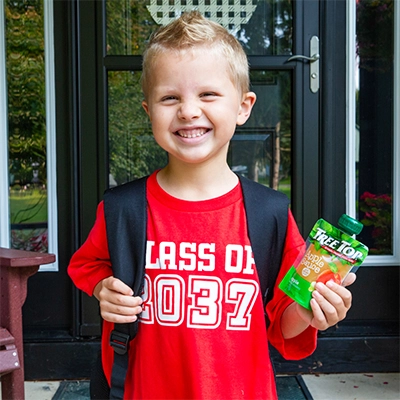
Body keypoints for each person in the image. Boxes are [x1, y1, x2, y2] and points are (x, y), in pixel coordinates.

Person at [68, 11, 356, 399]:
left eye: (207, 94)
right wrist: (104, 288)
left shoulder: (268, 213)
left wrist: (313, 311)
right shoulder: (123, 208)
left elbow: (284, 324)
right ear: (149, 111)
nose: (188, 110)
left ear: (243, 106)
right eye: (170, 97)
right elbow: (86, 264)